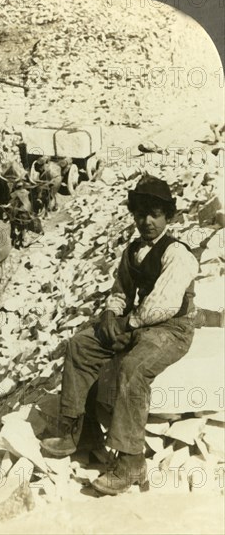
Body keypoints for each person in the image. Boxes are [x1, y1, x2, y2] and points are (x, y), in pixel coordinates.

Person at [41, 174, 199, 495]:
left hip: (172, 329)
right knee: (81, 344)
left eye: (154, 214)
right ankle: (79, 432)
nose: (147, 221)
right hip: (138, 322)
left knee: (133, 368)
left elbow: (163, 305)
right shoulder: (133, 252)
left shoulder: (177, 254)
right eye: (141, 214)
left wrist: (127, 324)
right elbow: (121, 291)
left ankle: (131, 461)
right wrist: (113, 314)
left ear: (168, 216)